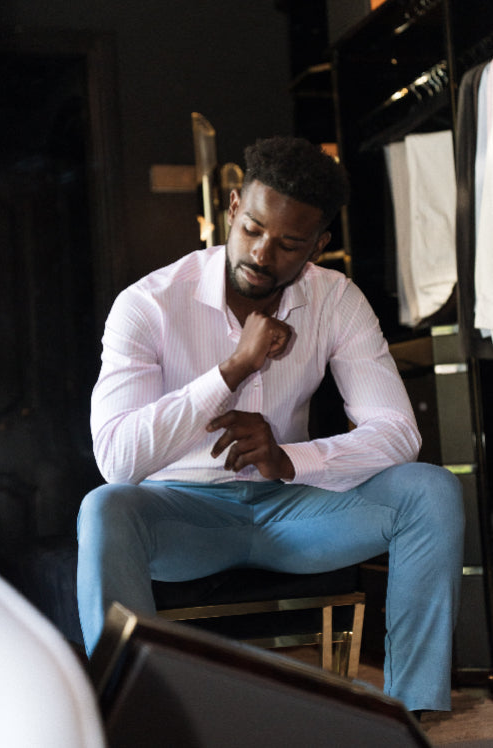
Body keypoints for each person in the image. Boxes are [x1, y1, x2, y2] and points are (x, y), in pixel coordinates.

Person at [77, 136, 464, 715]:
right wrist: (231, 370)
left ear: (318, 245)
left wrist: (290, 459)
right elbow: (116, 459)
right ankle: (135, 719)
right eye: (253, 229)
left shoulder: (336, 299)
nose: (262, 254)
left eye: (288, 244)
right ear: (233, 208)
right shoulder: (149, 304)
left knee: (431, 490)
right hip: (182, 517)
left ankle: (413, 712)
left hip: (295, 509)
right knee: (104, 508)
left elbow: (397, 432)